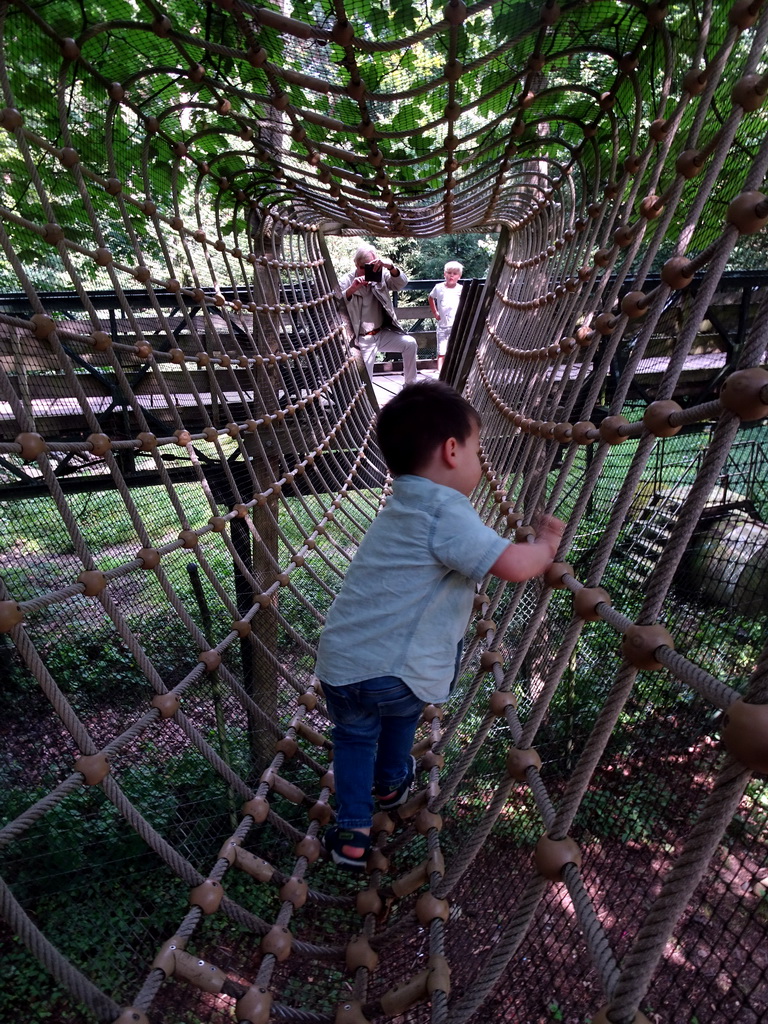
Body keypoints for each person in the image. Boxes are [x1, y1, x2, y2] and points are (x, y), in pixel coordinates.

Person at [315, 381, 565, 870]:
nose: (478, 460)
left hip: (340, 664)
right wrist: (547, 546)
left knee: (352, 738)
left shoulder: (401, 504)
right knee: (400, 714)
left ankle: (351, 833)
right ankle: (389, 785)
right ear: (452, 451)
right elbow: (513, 565)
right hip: (397, 670)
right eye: (478, 448)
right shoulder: (445, 510)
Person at [337, 246, 418, 385]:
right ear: (356, 264)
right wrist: (352, 289)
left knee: (410, 344)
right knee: (365, 383)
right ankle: (366, 405)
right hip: (362, 339)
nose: (370, 271)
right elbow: (335, 304)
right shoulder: (346, 281)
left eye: (373, 266)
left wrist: (390, 267)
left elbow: (401, 283)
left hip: (382, 333)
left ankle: (410, 387)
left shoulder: (380, 275)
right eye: (365, 267)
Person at [429, 261, 464, 371]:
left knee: (455, 350)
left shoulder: (461, 289)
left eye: (454, 273)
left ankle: (454, 372)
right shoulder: (438, 287)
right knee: (442, 351)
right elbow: (430, 297)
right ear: (444, 274)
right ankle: (440, 373)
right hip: (443, 325)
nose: (451, 276)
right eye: (449, 273)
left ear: (459, 276)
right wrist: (435, 312)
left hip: (456, 325)